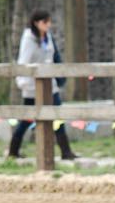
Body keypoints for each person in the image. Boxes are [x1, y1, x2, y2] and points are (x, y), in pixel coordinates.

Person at [8, 11, 77, 160]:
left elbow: (52, 56)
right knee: (26, 121)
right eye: (45, 22)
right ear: (36, 23)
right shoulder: (28, 39)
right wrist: (23, 81)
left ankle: (66, 151)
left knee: (57, 117)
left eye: (49, 22)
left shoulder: (48, 37)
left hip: (50, 85)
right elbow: (24, 61)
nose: (48, 25)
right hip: (32, 87)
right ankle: (13, 151)